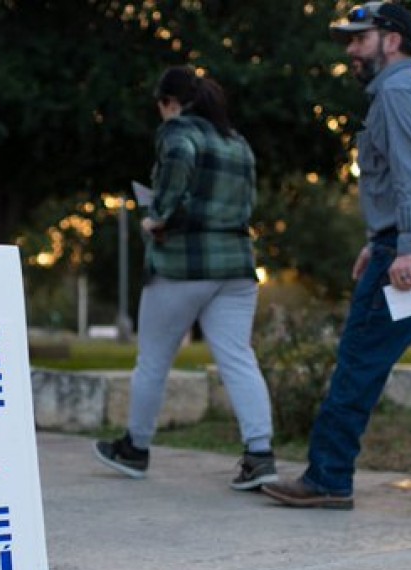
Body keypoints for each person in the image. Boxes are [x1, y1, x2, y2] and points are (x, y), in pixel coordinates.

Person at [261, 1, 411, 510]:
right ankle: (328, 474)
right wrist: (377, 241)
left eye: (359, 38)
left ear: (392, 40)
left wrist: (405, 248)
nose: (350, 49)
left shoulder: (396, 93)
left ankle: (327, 477)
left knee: (360, 360)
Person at [92, 65, 277, 490]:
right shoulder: (238, 141)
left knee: (153, 361)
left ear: (169, 102)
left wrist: (157, 218)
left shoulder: (178, 133)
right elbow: (245, 202)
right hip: (236, 266)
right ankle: (260, 455)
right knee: (237, 357)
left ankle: (135, 449)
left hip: (183, 266)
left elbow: (177, 172)